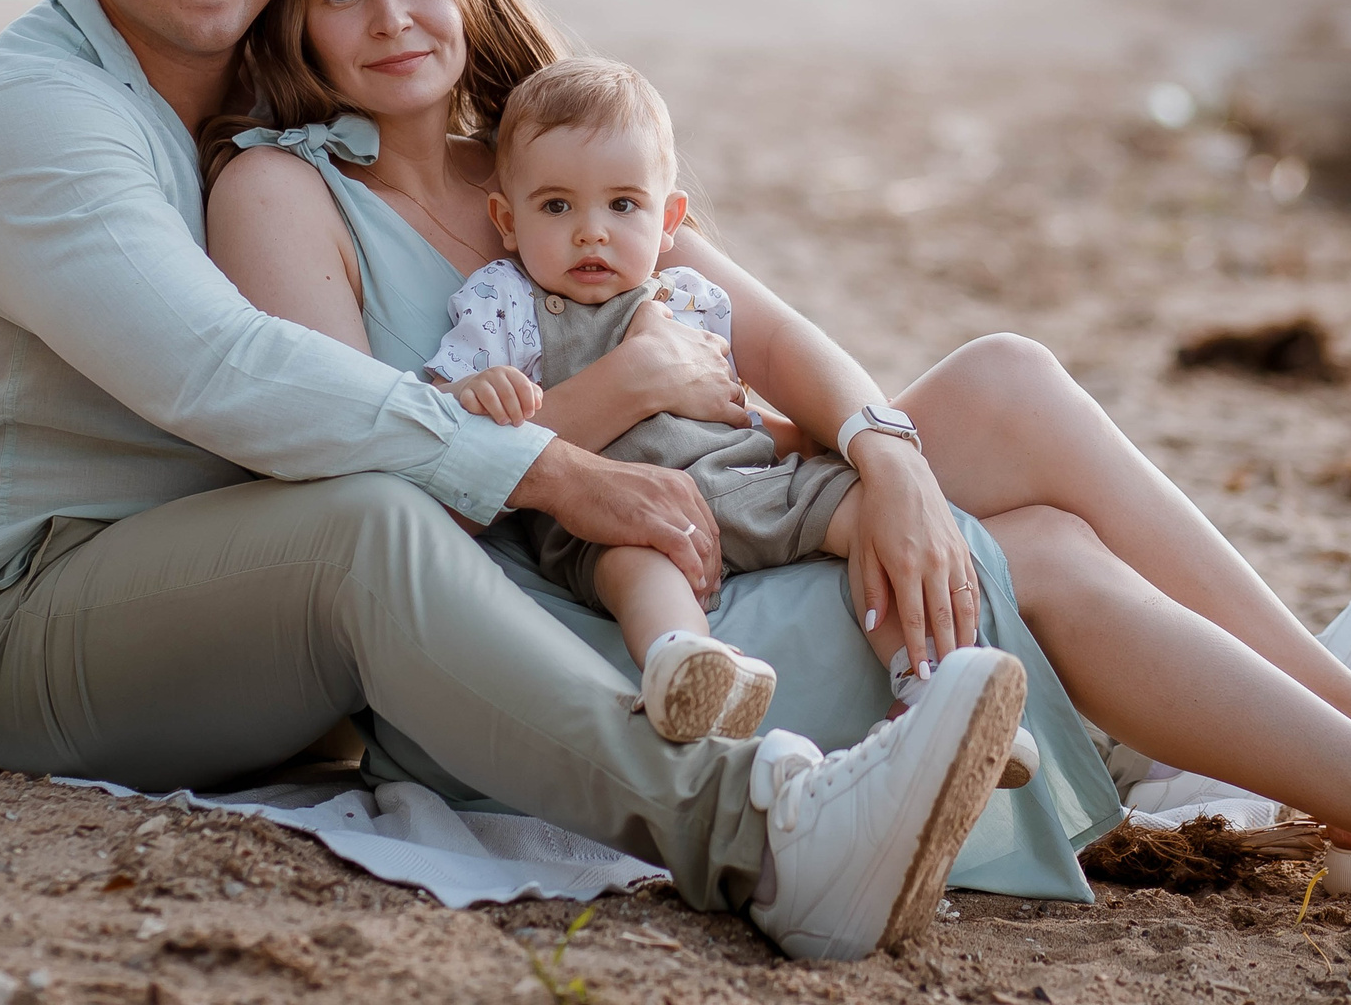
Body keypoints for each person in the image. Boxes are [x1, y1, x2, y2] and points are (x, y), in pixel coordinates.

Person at [206, 0, 1351, 967]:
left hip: (726, 507)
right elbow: (375, 475)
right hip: (570, 615)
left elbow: (777, 336)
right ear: (299, 24)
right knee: (1048, 554)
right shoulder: (285, 189)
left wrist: (884, 454)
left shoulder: (548, 145)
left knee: (1001, 382)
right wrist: (623, 390)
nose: (392, 15)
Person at [0, 0, 1035, 963]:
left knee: (1004, 454)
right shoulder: (35, 117)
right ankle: (764, 835)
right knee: (365, 524)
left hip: (224, 590)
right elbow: (221, 369)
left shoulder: (248, 93)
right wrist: (553, 467)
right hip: (20, 626)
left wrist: (859, 437)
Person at [417, 54, 1040, 787]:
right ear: (507, 220)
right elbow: (436, 417)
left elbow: (735, 410)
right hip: (614, 512)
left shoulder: (688, 298)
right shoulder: (502, 302)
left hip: (744, 481)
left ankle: (934, 686)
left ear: (668, 220)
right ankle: (687, 664)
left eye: (622, 206)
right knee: (633, 567)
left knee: (867, 509)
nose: (591, 232)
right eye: (556, 207)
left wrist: (814, 444)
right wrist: (480, 388)